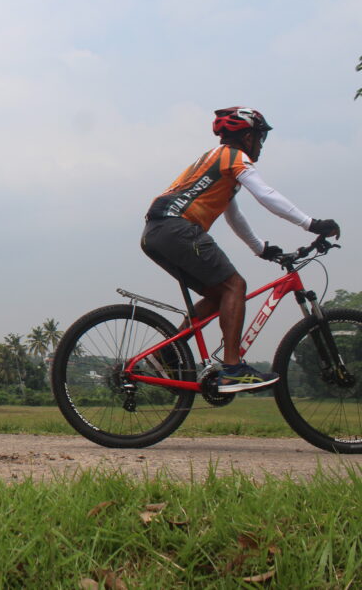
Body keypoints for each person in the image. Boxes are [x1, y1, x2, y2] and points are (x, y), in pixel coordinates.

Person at [141, 107, 340, 393]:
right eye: (260, 138)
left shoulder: (213, 159)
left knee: (220, 294)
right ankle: (233, 369)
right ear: (248, 136)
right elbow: (266, 195)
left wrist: (261, 249)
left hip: (155, 233)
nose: (260, 145)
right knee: (235, 286)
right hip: (178, 228)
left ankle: (164, 352)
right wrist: (312, 224)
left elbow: (232, 213)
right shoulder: (235, 157)